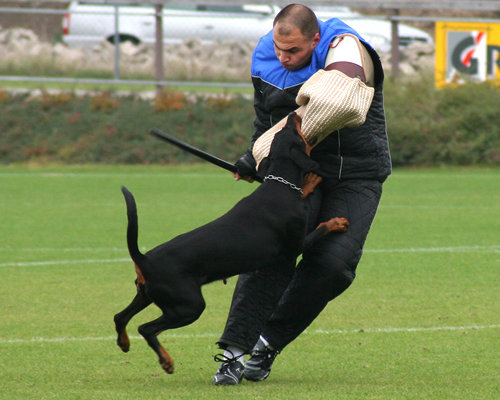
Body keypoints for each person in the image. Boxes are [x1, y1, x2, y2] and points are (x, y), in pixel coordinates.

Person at [212, 3, 391, 385]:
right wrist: (254, 156)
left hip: (355, 174)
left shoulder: (348, 49)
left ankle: (266, 341)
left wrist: (264, 149)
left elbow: (338, 102)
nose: (283, 57)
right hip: (297, 172)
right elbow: (267, 119)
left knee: (333, 265)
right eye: (279, 49)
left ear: (316, 38)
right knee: (268, 251)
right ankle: (233, 353)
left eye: (293, 52)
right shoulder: (268, 56)